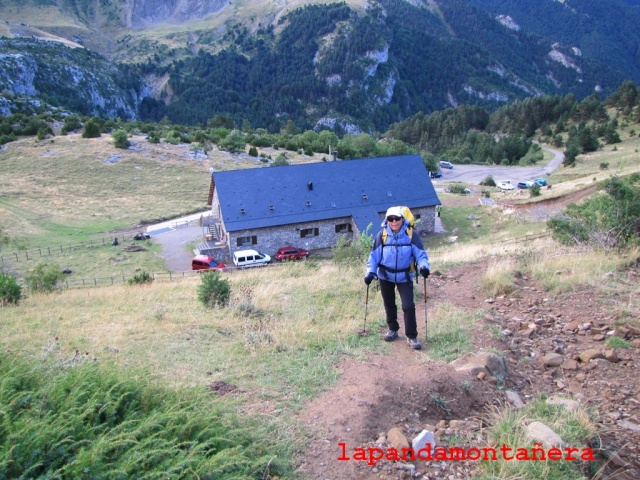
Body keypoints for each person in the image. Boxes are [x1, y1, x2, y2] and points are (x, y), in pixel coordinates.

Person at [364, 206, 431, 350]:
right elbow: (374, 257)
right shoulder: (381, 235)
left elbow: (421, 254)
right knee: (389, 304)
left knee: (408, 306)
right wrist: (370, 273)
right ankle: (393, 329)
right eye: (390, 219)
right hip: (385, 275)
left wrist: (424, 267)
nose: (394, 222)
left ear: (402, 219)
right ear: (387, 220)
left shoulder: (411, 234)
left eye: (397, 219)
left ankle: (412, 336)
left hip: (404, 276)